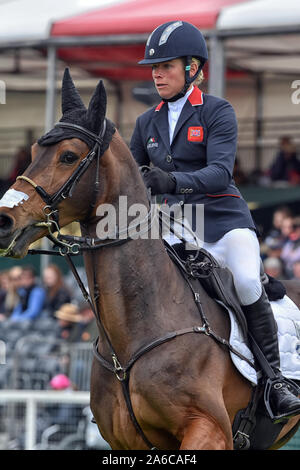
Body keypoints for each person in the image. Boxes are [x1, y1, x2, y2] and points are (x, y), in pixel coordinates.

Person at [130, 20, 300, 421]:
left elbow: (220, 173)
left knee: (243, 280)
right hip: (176, 227)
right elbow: (132, 177)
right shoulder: (145, 122)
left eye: (166, 66)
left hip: (224, 222)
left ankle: (275, 380)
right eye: (153, 67)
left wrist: (170, 180)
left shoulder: (216, 111)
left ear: (192, 68)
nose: (156, 73)